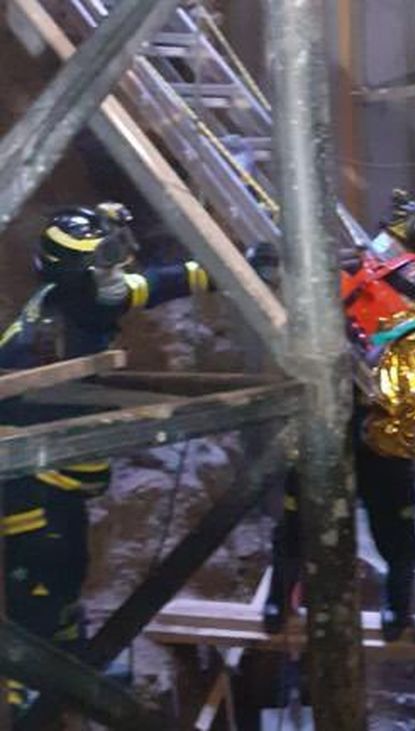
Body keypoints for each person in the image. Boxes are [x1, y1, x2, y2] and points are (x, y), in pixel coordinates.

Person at [0, 204, 218, 706]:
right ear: (77, 274)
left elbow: (150, 285)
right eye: (106, 262)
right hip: (30, 479)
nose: (118, 274)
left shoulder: (73, 300)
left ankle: (67, 653)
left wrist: (224, 270)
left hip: (55, 476)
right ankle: (21, 692)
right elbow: (143, 287)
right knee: (40, 581)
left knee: (67, 568)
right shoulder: (65, 318)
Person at [264, 190, 415, 641]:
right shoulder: (344, 275)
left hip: (375, 420)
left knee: (393, 521)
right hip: (332, 414)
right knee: (300, 517)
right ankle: (281, 596)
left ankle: (395, 601)